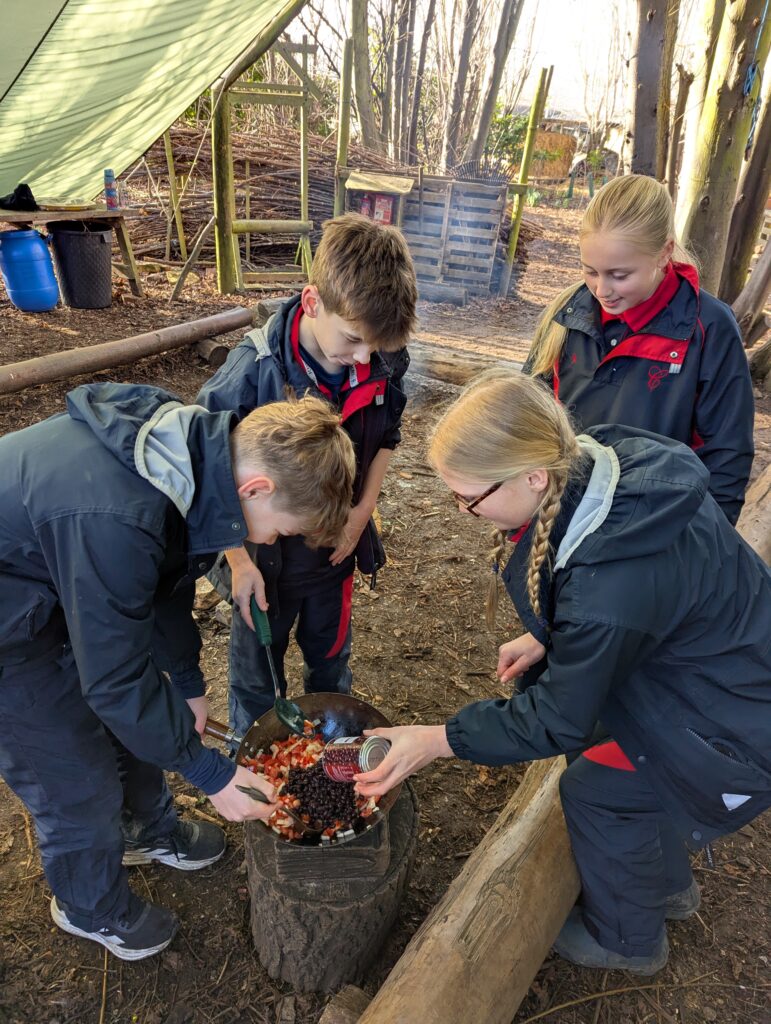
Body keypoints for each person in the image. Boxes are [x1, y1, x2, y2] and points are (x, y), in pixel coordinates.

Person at [354, 371, 771, 975]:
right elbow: (625, 608)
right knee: (611, 769)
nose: (462, 512)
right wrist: (550, 634)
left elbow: (560, 716)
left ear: (532, 475)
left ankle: (629, 941)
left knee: (596, 791)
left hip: (732, 728)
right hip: (709, 678)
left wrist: (437, 739)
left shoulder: (609, 589)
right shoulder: (600, 460)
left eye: (467, 499)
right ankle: (666, 887)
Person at [0, 383, 354, 960]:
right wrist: (210, 774)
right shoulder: (116, 511)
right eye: (281, 531)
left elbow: (159, 582)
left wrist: (186, 684)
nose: (268, 542)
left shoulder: (191, 457)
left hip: (55, 586)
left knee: (145, 712)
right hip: (11, 627)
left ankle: (146, 828)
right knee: (73, 776)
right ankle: (89, 907)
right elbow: (113, 680)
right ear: (256, 488)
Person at [506, 174, 755, 684]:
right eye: (590, 270)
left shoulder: (709, 327)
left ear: (665, 253)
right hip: (561, 527)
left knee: (621, 677)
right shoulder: (567, 314)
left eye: (619, 274)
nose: (602, 290)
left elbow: (727, 456)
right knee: (554, 664)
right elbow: (527, 416)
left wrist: (693, 560)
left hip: (650, 538)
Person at [196, 212, 417, 735]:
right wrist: (236, 560)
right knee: (256, 674)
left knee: (331, 663)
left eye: (376, 350)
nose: (364, 360)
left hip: (334, 554)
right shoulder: (253, 371)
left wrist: (361, 514)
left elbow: (388, 433)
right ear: (314, 301)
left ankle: (331, 754)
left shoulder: (383, 354)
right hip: (260, 563)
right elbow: (206, 472)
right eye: (353, 341)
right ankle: (250, 761)